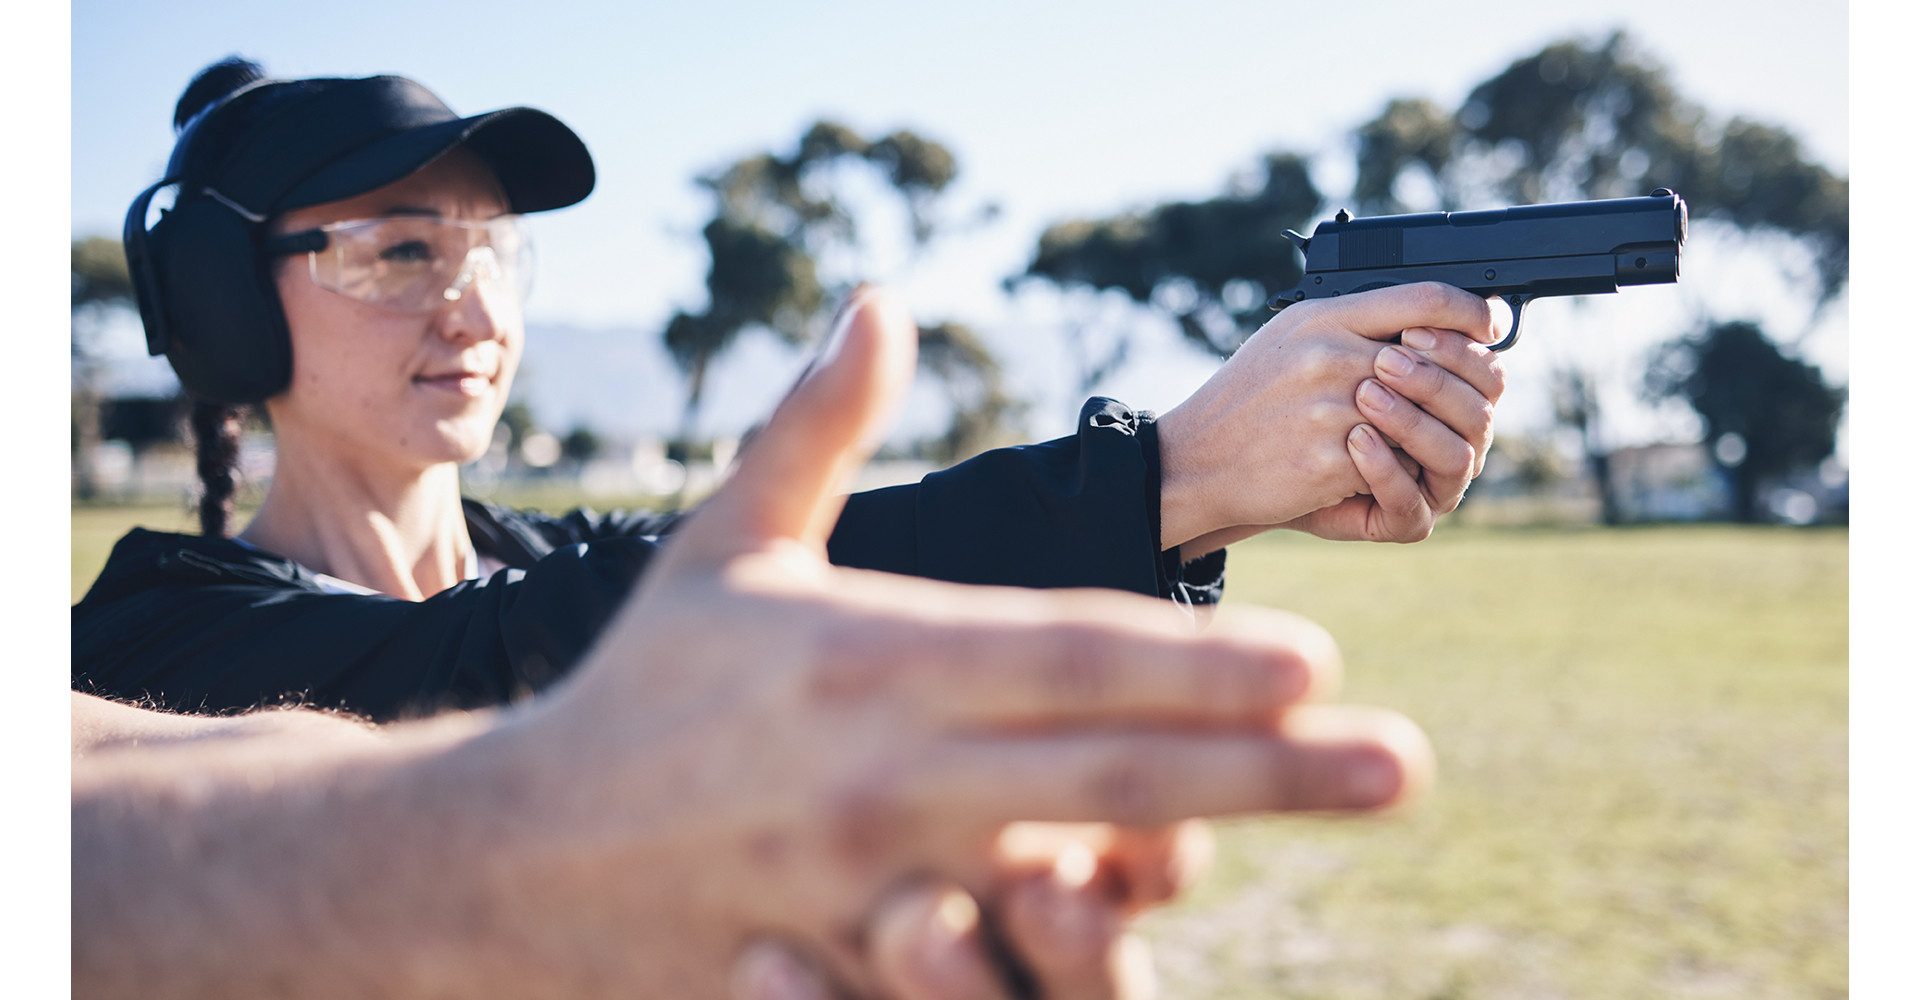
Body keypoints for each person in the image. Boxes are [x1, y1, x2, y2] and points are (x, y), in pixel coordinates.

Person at [72, 57, 1504, 995]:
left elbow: (715, 586)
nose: (475, 303)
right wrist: (1173, 471)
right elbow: (517, 655)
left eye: (491, 245)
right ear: (219, 301)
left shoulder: (536, 553)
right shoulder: (146, 647)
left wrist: (1190, 511)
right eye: (399, 248)